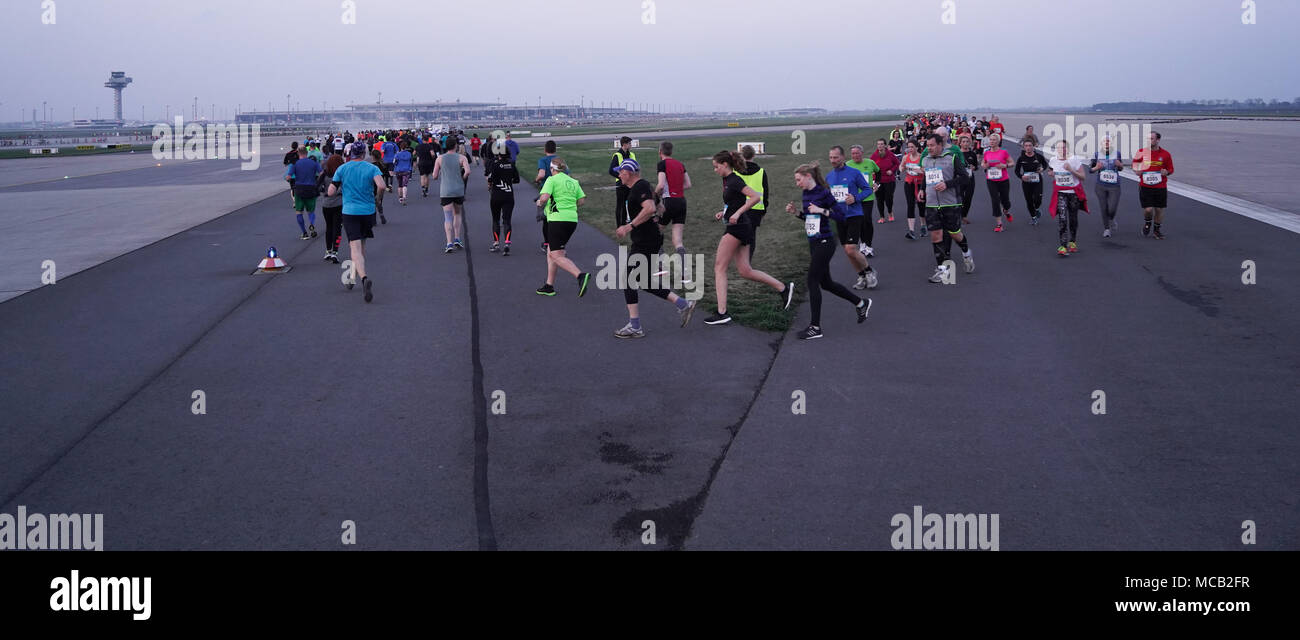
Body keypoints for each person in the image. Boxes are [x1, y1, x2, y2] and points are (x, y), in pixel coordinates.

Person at [704, 150, 792, 325]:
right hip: (741, 226)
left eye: (716, 167)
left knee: (719, 267)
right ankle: (783, 288)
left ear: (725, 164)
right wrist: (725, 212)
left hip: (738, 227)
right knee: (745, 270)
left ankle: (722, 312)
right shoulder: (728, 180)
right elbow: (735, 201)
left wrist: (736, 213)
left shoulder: (735, 180)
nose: (715, 170)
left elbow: (755, 197)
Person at [785, 162, 872, 339]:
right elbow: (810, 218)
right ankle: (861, 303)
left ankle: (815, 327)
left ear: (808, 176)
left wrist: (822, 210)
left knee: (812, 281)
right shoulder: (806, 193)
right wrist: (796, 213)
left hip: (825, 242)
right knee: (826, 283)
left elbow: (840, 216)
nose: (797, 183)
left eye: (798, 179)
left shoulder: (824, 193)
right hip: (814, 242)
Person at [612, 159, 698, 337]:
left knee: (628, 280)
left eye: (620, 172)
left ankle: (635, 326)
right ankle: (683, 304)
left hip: (646, 241)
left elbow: (650, 207)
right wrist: (657, 213)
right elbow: (659, 206)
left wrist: (629, 227)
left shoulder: (639, 187)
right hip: (648, 239)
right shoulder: (643, 187)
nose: (619, 175)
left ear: (628, 173)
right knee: (641, 280)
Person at [327, 142, 385, 303]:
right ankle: (352, 276)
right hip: (368, 211)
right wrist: (377, 198)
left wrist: (338, 190)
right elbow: (381, 185)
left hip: (350, 211)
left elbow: (331, 191)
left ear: (351, 153)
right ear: (364, 153)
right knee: (361, 247)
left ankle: (364, 278)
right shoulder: (371, 168)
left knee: (354, 247)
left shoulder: (342, 169)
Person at [916, 134, 974, 283]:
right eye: (927, 145)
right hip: (931, 203)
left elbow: (965, 178)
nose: (929, 148)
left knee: (955, 234)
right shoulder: (926, 160)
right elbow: (926, 177)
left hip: (950, 203)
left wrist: (947, 184)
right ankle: (942, 270)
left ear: (940, 145)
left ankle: (966, 253)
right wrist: (922, 189)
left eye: (932, 145)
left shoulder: (951, 158)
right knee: (936, 235)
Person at [534, 157, 592, 297]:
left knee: (556, 255)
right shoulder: (573, 181)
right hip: (571, 220)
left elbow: (545, 197)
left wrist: (540, 203)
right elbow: (581, 200)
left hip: (557, 220)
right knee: (552, 251)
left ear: (552, 169)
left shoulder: (551, 180)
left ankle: (580, 275)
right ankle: (549, 285)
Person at [826, 146, 878, 289]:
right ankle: (861, 276)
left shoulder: (854, 173)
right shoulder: (829, 176)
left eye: (836, 157)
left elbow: (868, 189)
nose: (833, 160)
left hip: (854, 214)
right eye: (831, 157)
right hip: (839, 217)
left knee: (850, 249)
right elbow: (828, 196)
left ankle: (869, 271)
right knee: (847, 251)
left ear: (843, 157)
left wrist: (855, 198)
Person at [655, 141, 692, 279]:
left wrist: (654, 196)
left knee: (656, 231)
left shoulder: (662, 164)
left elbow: (660, 185)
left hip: (668, 202)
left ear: (660, 152)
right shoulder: (680, 164)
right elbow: (688, 184)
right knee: (678, 240)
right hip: (681, 202)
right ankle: (684, 272)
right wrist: (676, 189)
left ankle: (661, 265)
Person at [1048, 140, 1089, 256]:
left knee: (1073, 219)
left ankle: (1072, 241)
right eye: (1060, 148)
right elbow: (1050, 171)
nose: (1062, 150)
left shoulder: (1074, 160)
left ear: (1068, 149)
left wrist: (1071, 170)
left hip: (1073, 193)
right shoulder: (1053, 160)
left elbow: (1083, 177)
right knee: (1062, 219)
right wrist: (1050, 174)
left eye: (1064, 148)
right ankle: (1063, 245)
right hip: (1061, 193)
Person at [432, 136, 471, 253]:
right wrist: (462, 178)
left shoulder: (440, 158)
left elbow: (434, 176)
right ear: (455, 146)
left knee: (447, 217)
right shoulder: (462, 157)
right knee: (457, 214)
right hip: (458, 189)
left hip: (446, 190)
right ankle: (457, 238)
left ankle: (449, 242)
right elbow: (468, 171)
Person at [1131, 131, 1173, 239]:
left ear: (1158, 140)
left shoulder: (1165, 154)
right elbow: (1134, 165)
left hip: (1160, 186)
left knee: (1159, 209)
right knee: (1148, 209)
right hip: (1145, 186)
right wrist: (1137, 171)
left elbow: (1171, 169)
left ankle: (1157, 230)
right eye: (1147, 139)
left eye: (1151, 139)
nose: (1149, 141)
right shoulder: (1141, 152)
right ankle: (1147, 222)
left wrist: (1166, 172)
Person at [843, 144, 879, 257]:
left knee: (867, 220)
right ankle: (863, 243)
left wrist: (876, 183)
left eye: (857, 153)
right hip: (854, 199)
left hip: (867, 196)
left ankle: (869, 245)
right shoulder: (847, 165)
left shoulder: (869, 163)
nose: (855, 155)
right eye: (853, 153)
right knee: (859, 221)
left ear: (862, 153)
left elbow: (879, 172)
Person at [484, 140, 519, 255]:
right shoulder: (512, 164)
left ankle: (496, 243)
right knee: (507, 220)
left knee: (495, 220)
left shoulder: (495, 165)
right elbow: (517, 180)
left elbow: (490, 179)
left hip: (496, 196)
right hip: (508, 196)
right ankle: (507, 242)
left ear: (498, 154)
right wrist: (508, 180)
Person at [735, 145, 770, 258]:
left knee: (737, 234)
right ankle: (748, 259)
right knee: (751, 236)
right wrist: (764, 209)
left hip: (738, 208)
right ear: (754, 155)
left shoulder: (736, 172)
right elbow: (765, 193)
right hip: (756, 209)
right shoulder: (761, 172)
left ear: (741, 156)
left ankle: (739, 257)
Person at [1089, 135, 1125, 237]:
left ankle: (1112, 218)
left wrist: (1120, 165)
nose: (1107, 143)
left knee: (1112, 208)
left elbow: (1121, 168)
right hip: (1101, 185)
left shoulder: (1117, 153)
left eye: (1108, 141)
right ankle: (1107, 229)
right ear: (1101, 144)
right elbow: (1090, 170)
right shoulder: (1096, 154)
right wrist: (1096, 167)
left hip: (1114, 185)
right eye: (1104, 141)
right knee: (1104, 208)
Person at [285, 147, 322, 240]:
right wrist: (317, 182)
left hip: (299, 189)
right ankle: (312, 225)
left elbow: (288, 177)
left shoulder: (295, 164)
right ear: (307, 153)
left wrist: (289, 178)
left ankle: (304, 233)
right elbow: (321, 173)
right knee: (311, 211)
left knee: (299, 211)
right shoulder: (314, 163)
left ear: (298, 153)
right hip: (311, 188)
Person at [981, 133, 1014, 231]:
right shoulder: (986, 152)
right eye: (990, 140)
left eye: (994, 140)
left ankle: (1006, 210)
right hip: (991, 180)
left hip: (1003, 180)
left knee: (1006, 201)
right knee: (995, 200)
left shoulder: (1004, 152)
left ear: (998, 141)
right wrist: (984, 165)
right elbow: (983, 162)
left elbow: (1012, 163)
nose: (991, 141)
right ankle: (999, 224)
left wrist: (1005, 166)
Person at [1013, 138, 1050, 224]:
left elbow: (1045, 164)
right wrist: (1021, 177)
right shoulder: (1021, 158)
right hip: (1026, 182)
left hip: (1037, 180)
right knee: (1029, 200)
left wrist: (1042, 169)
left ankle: (1036, 209)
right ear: (1023, 147)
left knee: (1038, 199)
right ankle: (1033, 217)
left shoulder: (1038, 156)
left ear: (1033, 147)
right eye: (1026, 146)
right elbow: (1016, 171)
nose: (1028, 147)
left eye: (1030, 146)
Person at [319, 147, 346, 263]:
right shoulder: (342, 174)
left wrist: (325, 191)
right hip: (339, 204)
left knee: (328, 227)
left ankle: (328, 251)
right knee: (338, 229)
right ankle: (335, 251)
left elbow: (318, 187)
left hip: (326, 204)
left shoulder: (324, 174)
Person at [534, 139, 560, 253]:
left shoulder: (543, 160)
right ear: (555, 149)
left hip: (547, 191)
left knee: (546, 218)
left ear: (545, 150)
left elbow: (541, 174)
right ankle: (557, 242)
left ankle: (547, 243)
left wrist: (537, 180)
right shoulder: (559, 160)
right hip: (559, 191)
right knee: (557, 216)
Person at [609, 136, 637, 227]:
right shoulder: (617, 155)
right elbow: (611, 170)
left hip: (630, 184)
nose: (631, 145)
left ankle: (626, 223)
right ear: (624, 144)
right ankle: (619, 225)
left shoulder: (632, 154)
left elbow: (635, 168)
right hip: (621, 184)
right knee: (620, 205)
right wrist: (622, 178)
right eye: (629, 143)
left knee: (629, 204)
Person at [870, 138, 900, 224]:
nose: (880, 146)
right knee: (879, 199)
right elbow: (870, 166)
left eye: (882, 144)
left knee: (888, 199)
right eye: (878, 144)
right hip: (878, 181)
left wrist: (892, 170)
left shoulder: (890, 154)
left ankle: (890, 213)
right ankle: (882, 217)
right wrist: (872, 174)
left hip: (889, 180)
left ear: (885, 145)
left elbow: (897, 163)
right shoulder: (874, 156)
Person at [900, 139, 925, 239]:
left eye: (912, 147)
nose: (910, 149)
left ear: (917, 147)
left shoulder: (922, 158)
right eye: (909, 147)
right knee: (910, 204)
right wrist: (901, 168)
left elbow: (925, 170)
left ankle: (923, 225)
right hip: (909, 183)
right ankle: (911, 230)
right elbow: (901, 166)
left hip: (920, 184)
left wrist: (919, 170)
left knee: (921, 205)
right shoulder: (906, 157)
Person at [956, 134, 981, 225]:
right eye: (963, 142)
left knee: (968, 198)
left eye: (967, 142)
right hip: (960, 179)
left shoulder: (972, 154)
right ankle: (959, 215)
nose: (966, 143)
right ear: (960, 144)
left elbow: (976, 167)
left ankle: (964, 216)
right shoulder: (957, 154)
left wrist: (973, 167)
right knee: (960, 198)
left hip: (970, 179)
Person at [369, 148, 389, 225]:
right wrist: (387, 186)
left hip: (372, 185)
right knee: (379, 201)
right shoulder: (383, 165)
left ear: (373, 156)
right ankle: (381, 214)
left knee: (372, 203)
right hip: (381, 185)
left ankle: (374, 219)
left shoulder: (371, 166)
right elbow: (387, 175)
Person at [282, 141, 300, 206]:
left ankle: (295, 202)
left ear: (291, 146)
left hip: (291, 174)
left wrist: (290, 162)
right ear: (297, 146)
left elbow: (285, 164)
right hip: (299, 173)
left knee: (292, 188)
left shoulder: (288, 154)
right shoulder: (299, 153)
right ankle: (299, 200)